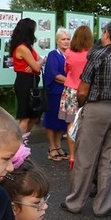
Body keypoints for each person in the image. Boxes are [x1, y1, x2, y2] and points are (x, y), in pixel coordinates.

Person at [64, 20, 111, 217]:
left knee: (85, 157)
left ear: (106, 34)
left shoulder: (98, 55)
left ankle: (75, 202)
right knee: (110, 159)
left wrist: (81, 105)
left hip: (97, 108)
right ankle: (103, 206)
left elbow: (83, 89)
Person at [9, 17, 42, 140]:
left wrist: (37, 63)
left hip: (32, 80)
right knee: (25, 115)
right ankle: (18, 143)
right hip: (24, 82)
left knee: (34, 115)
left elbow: (40, 60)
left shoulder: (28, 47)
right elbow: (37, 66)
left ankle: (24, 139)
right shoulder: (22, 47)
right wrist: (36, 64)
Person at [60, 24, 92, 151]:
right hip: (88, 91)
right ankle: (84, 154)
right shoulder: (91, 54)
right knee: (88, 124)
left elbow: (66, 70)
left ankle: (72, 155)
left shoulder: (68, 53)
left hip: (70, 91)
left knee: (71, 123)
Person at [42, 28, 70, 161]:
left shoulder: (69, 54)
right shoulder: (54, 54)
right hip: (54, 92)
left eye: (68, 39)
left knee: (61, 121)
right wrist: (72, 81)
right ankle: (51, 147)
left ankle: (58, 146)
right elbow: (54, 75)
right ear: (57, 41)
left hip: (66, 93)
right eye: (63, 39)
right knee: (51, 120)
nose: (66, 41)